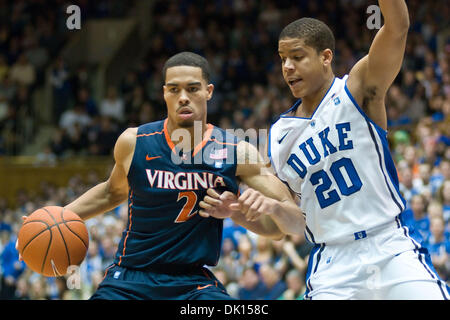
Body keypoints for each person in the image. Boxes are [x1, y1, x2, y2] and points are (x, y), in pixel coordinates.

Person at [204, 0, 449, 300]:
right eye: (282, 58)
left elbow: (397, 27)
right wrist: (239, 214)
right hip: (333, 263)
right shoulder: (280, 135)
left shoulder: (357, 90)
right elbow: (287, 225)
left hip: (390, 245)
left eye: (297, 57)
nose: (287, 67)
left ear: (325, 57)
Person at [20, 52, 302, 300]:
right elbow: (111, 192)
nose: (183, 97)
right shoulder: (135, 142)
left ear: (209, 92)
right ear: (164, 93)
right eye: (174, 89)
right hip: (130, 279)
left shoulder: (237, 152)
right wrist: (53, 219)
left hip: (192, 282)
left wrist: (236, 213)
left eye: (193, 89)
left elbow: (281, 227)